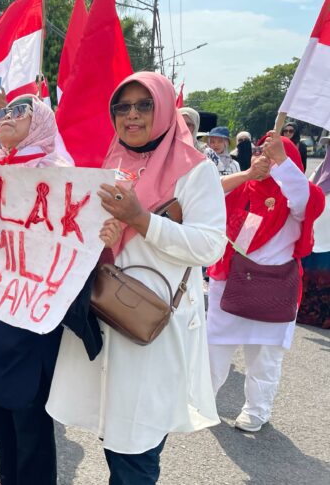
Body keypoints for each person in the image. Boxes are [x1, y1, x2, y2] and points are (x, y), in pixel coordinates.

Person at [47, 72, 227, 484]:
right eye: (122, 106)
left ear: (163, 108)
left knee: (137, 446)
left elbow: (211, 246)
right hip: (106, 314)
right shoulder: (111, 162)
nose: (132, 115)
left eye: (144, 105)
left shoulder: (196, 171)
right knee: (115, 436)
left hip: (152, 325)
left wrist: (141, 221)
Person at [0, 94, 103, 485]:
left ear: (41, 122)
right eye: (4, 112)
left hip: (33, 319)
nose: (7, 117)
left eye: (18, 111)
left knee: (30, 419)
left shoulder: (59, 174)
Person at [207, 132, 324, 432]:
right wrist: (247, 172)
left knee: (265, 356)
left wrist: (282, 162)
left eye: (272, 155)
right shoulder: (245, 184)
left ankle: (256, 411)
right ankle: (203, 403)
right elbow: (207, 194)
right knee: (215, 347)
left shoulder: (301, 194)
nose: (265, 159)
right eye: (262, 152)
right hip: (233, 281)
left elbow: (304, 201)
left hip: (275, 287)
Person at [298, 150, 330, 328]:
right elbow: (308, 188)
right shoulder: (320, 168)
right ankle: (308, 313)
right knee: (312, 270)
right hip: (315, 229)